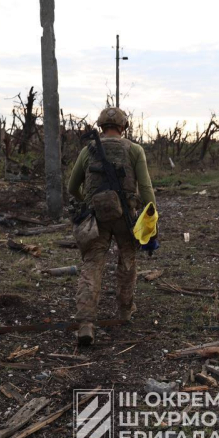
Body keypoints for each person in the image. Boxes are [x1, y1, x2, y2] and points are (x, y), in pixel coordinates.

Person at [67, 107, 156, 346]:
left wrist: (87, 200)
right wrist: (151, 216)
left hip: (95, 217)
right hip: (126, 215)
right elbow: (145, 188)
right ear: (124, 127)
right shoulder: (135, 150)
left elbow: (72, 188)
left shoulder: (88, 150)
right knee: (127, 261)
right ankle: (125, 312)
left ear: (100, 126)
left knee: (92, 264)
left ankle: (85, 323)